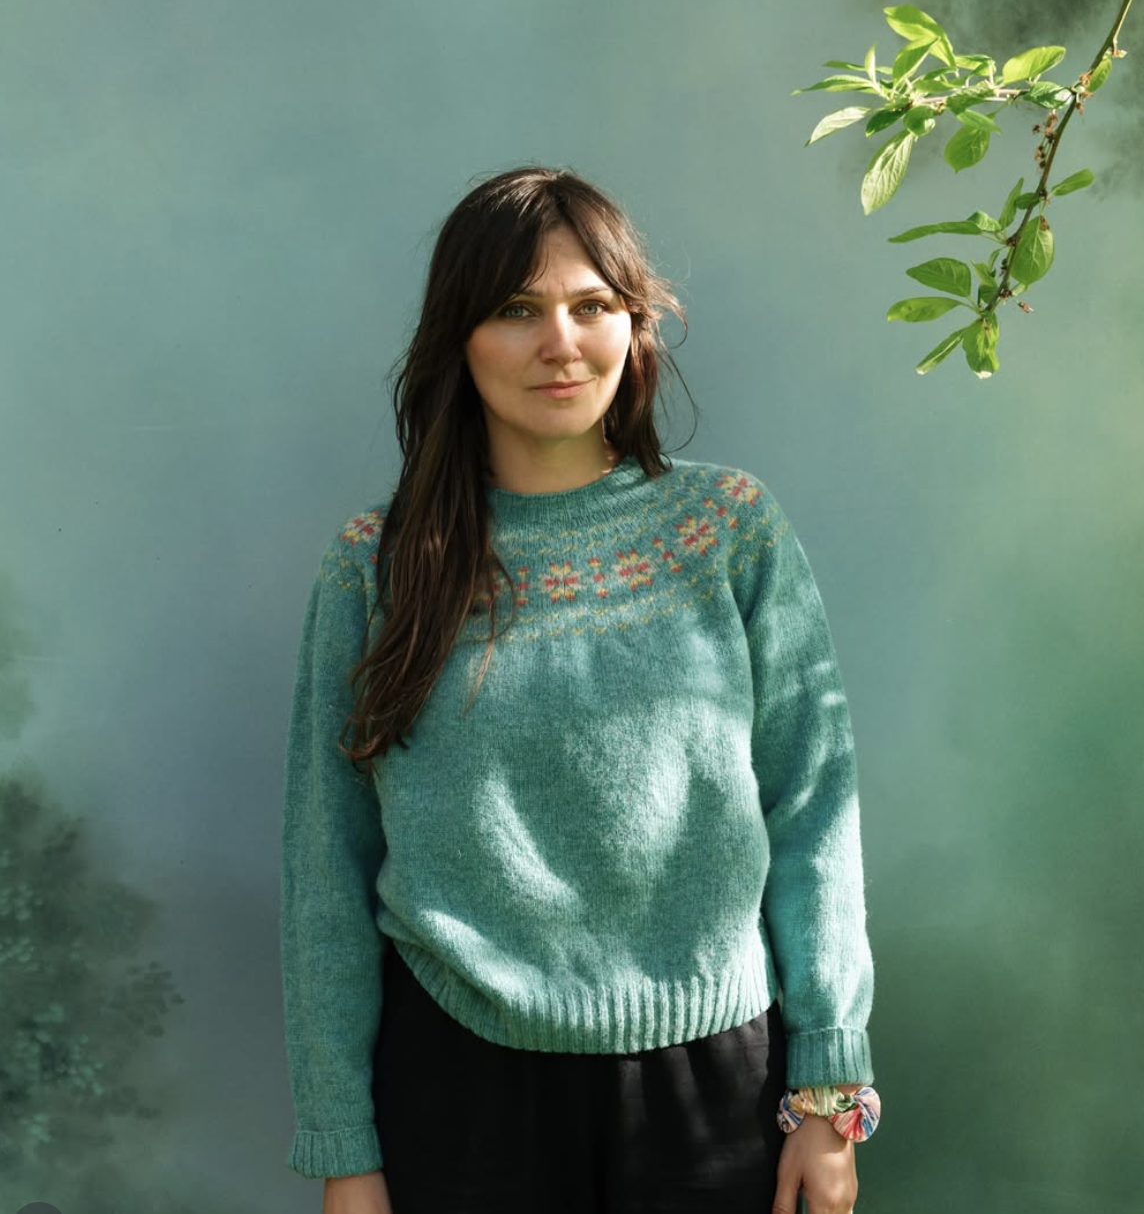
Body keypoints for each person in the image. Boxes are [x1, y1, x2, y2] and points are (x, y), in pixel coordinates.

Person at [280, 166, 878, 1214]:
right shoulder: (375, 567)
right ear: (456, 340)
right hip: (457, 1087)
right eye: (516, 309)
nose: (561, 341)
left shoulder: (728, 529)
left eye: (591, 304)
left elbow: (812, 810)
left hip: (715, 1084)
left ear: (634, 326)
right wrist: (345, 1148)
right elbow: (325, 871)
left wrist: (827, 1092)